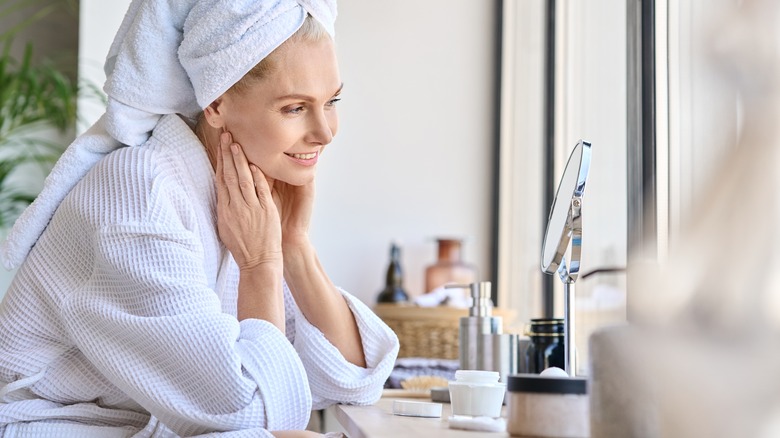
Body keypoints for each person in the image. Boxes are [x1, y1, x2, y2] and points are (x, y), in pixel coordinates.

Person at [0, 0, 399, 436]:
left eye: (332, 100)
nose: (325, 132)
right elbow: (253, 413)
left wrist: (293, 244)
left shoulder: (239, 198)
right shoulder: (140, 190)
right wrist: (260, 266)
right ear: (217, 103)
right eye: (294, 108)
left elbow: (352, 378)